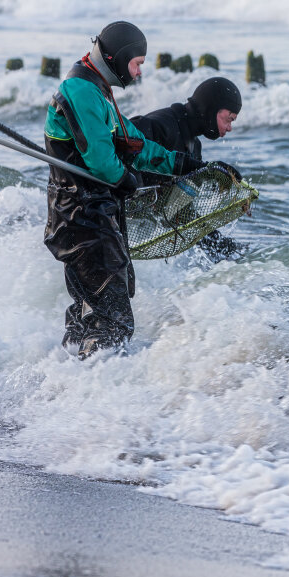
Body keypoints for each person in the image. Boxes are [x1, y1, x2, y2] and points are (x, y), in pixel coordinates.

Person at [44, 21, 206, 359]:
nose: (138, 72)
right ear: (118, 57)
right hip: (82, 221)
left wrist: (182, 164)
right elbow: (102, 161)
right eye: (137, 64)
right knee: (114, 321)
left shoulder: (97, 89)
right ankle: (95, 399)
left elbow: (135, 143)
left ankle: (64, 388)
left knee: (90, 314)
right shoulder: (80, 90)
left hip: (87, 220)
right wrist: (125, 180)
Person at [130, 77, 245, 260]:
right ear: (211, 109)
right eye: (229, 119)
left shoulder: (194, 147)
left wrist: (217, 243)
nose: (230, 128)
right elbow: (122, 150)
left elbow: (181, 210)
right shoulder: (159, 124)